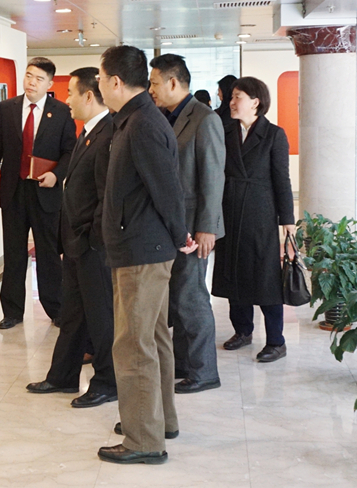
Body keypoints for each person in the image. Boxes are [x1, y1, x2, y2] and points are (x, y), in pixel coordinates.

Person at [96, 45, 197, 465]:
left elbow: (168, 189)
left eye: (101, 79)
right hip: (140, 246)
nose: (99, 85)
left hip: (142, 250)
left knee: (133, 344)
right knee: (153, 337)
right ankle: (159, 420)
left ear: (116, 82)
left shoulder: (141, 124)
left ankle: (143, 440)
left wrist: (180, 234)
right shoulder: (134, 119)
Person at [25, 67, 117, 408]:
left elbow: (107, 196)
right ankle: (62, 376)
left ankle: (107, 382)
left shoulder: (108, 134)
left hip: (92, 244)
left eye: (70, 93)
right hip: (77, 242)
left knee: (101, 317)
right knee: (74, 314)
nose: (66, 100)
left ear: (88, 96)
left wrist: (92, 238)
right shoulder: (89, 132)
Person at [148, 54, 225, 394]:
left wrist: (208, 227)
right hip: (173, 225)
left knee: (191, 297)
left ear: (173, 82)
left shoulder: (204, 118)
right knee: (177, 296)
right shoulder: (165, 116)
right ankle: (184, 363)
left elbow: (213, 177)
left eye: (154, 83)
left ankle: (204, 371)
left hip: (196, 224)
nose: (151, 89)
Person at [0, 57, 76, 330]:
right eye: (29, 76)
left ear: (49, 84)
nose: (32, 82)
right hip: (13, 190)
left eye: (39, 79)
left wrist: (57, 175)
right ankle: (12, 311)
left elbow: (70, 151)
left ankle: (56, 308)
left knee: (48, 253)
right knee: (13, 252)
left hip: (45, 190)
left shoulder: (61, 111)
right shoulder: (7, 108)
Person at [211, 76, 295, 362]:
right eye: (232, 97)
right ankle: (243, 331)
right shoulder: (225, 131)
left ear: (255, 102)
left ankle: (276, 341)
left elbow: (282, 180)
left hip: (260, 215)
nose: (231, 102)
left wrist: (288, 220)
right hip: (230, 210)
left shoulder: (274, 135)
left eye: (238, 97)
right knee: (234, 273)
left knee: (265, 278)